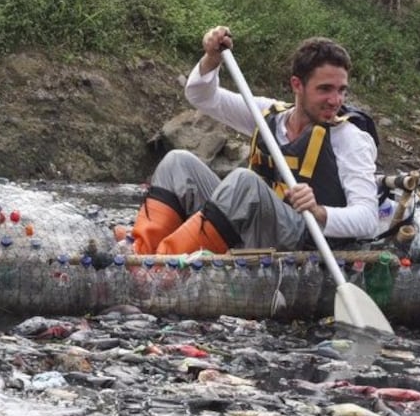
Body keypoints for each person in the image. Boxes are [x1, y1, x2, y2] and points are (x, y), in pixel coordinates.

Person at [124, 26, 379, 255]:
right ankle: (141, 254)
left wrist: (319, 211)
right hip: (252, 223)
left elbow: (368, 218)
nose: (335, 100)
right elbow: (201, 96)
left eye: (341, 90)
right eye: (325, 89)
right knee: (176, 162)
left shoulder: (351, 139)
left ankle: (162, 271)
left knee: (244, 182)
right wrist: (212, 59)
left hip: (304, 239)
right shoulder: (267, 114)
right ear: (297, 85)